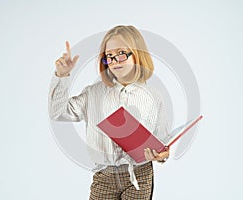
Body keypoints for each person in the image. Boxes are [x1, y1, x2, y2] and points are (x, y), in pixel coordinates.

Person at [48, 25, 170, 200]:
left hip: (140, 175)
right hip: (104, 176)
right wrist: (61, 76)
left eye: (121, 53)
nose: (115, 61)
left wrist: (161, 154)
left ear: (138, 54)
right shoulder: (93, 93)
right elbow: (57, 112)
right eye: (109, 56)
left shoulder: (154, 96)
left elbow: (162, 141)